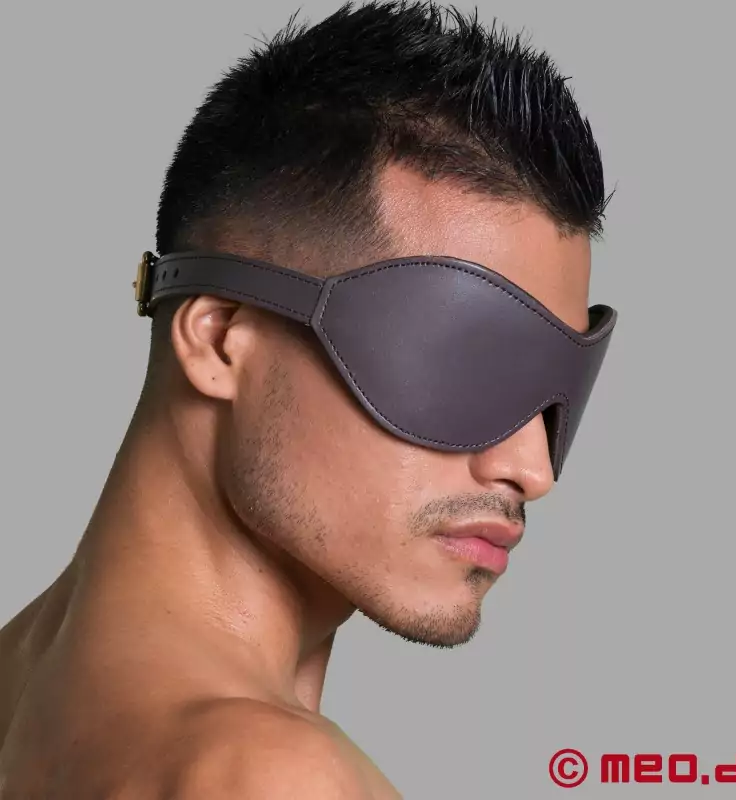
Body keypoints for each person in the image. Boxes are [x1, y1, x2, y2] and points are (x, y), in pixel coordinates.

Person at [0, 1, 617, 797]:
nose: (532, 469)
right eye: (464, 365)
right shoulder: (273, 777)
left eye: (553, 396)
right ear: (221, 339)